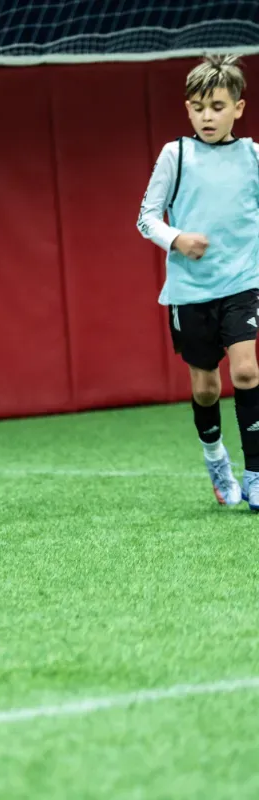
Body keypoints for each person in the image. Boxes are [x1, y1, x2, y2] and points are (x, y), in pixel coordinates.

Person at [137, 55, 259, 509]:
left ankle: (256, 473)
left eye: (218, 106)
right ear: (188, 110)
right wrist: (177, 238)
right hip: (191, 291)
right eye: (199, 107)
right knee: (206, 386)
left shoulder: (253, 156)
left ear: (238, 108)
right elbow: (146, 217)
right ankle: (215, 460)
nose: (208, 116)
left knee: (246, 370)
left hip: (243, 282)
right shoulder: (177, 155)